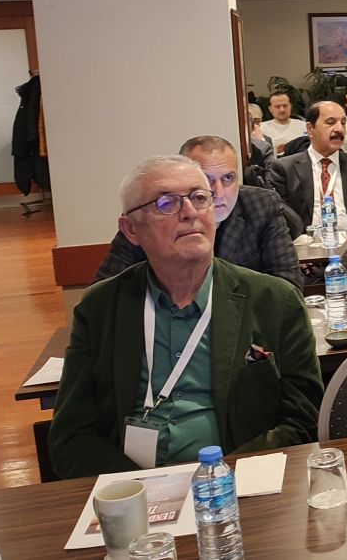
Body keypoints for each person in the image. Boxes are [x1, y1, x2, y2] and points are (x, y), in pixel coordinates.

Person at [49, 155, 323, 479]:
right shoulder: (102, 308)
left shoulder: (273, 300)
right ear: (131, 229)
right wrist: (139, 489)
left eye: (199, 198)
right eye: (166, 203)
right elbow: (70, 437)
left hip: (239, 483)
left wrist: (221, 480)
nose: (190, 212)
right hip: (134, 490)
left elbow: (303, 420)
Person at [95, 136, 302, 289]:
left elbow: (287, 285)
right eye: (206, 180)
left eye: (228, 178)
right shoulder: (152, 217)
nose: (219, 193)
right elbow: (103, 294)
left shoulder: (260, 205)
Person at [268, 101, 347, 232]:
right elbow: (280, 221)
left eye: (343, 123)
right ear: (310, 129)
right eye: (330, 122)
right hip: (306, 240)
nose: (339, 129)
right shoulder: (285, 169)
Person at [260, 90, 307, 157]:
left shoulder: (304, 126)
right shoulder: (262, 128)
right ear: (270, 109)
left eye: (285, 106)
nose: (282, 110)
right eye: (277, 107)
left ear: (290, 106)